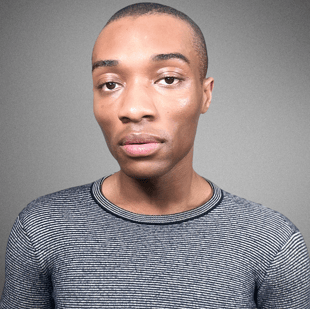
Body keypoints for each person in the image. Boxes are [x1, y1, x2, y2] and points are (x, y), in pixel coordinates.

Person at [1, 2, 309, 308]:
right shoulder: (41, 229)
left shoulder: (271, 242)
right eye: (110, 84)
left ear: (206, 94)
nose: (134, 109)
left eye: (168, 79)